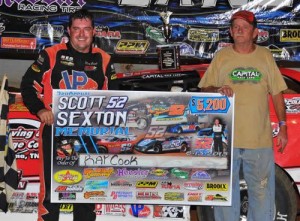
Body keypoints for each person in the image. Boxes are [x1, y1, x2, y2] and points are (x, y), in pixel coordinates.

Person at [20, 8, 115, 221]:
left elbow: (118, 95)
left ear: (94, 32)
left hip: (89, 134)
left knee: (86, 193)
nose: (81, 34)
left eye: (86, 29)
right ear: (68, 31)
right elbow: (27, 86)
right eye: (76, 29)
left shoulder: (105, 60)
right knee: (51, 196)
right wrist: (41, 109)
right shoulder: (51, 55)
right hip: (55, 132)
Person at [198, 10, 288, 221]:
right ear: (230, 32)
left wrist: (283, 126)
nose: (239, 30)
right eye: (235, 26)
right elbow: (204, 90)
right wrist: (218, 89)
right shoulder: (221, 57)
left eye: (244, 27)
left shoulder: (265, 57)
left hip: (259, 141)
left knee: (262, 194)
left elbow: (277, 94)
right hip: (224, 142)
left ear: (255, 33)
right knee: (224, 195)